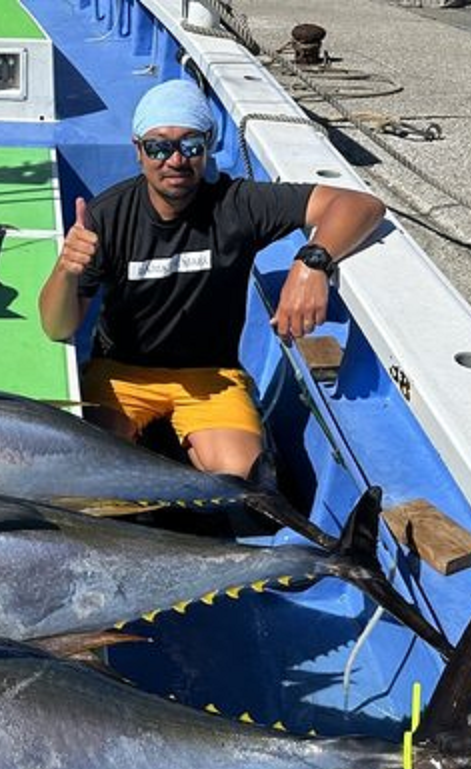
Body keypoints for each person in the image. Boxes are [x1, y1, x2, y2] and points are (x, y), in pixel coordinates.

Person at [38, 78, 385, 482]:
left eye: (190, 146)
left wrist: (312, 262)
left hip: (210, 373)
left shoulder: (236, 203)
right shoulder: (106, 216)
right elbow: (56, 325)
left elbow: (360, 204)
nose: (175, 160)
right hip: (121, 371)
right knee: (93, 474)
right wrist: (66, 269)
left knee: (244, 482)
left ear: (208, 146)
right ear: (138, 151)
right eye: (158, 146)